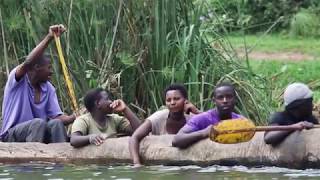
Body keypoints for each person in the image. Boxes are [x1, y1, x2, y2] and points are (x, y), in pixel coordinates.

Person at [0, 24, 76, 143]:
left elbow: (57, 117)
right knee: (38, 123)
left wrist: (75, 117)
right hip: (11, 135)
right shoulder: (17, 79)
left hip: (38, 133)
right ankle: (34, 160)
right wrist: (49, 37)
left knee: (56, 124)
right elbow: (28, 62)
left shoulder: (49, 88)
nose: (51, 72)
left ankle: (61, 159)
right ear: (36, 67)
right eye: (49, 68)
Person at [129, 84, 200, 167]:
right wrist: (137, 163)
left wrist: (197, 112)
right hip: (159, 164)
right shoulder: (158, 117)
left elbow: (216, 126)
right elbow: (134, 137)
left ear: (186, 101)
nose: (172, 103)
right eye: (168, 100)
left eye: (177, 99)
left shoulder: (193, 118)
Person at [172, 82, 243, 149]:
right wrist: (204, 132)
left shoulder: (241, 121)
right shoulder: (202, 118)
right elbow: (176, 140)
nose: (225, 100)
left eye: (229, 97)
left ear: (235, 99)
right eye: (220, 97)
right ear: (214, 101)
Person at [70, 88, 141, 148]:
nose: (111, 102)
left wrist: (125, 109)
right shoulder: (83, 120)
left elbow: (139, 131)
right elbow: (74, 140)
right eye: (107, 99)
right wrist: (90, 138)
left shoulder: (114, 119)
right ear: (98, 103)